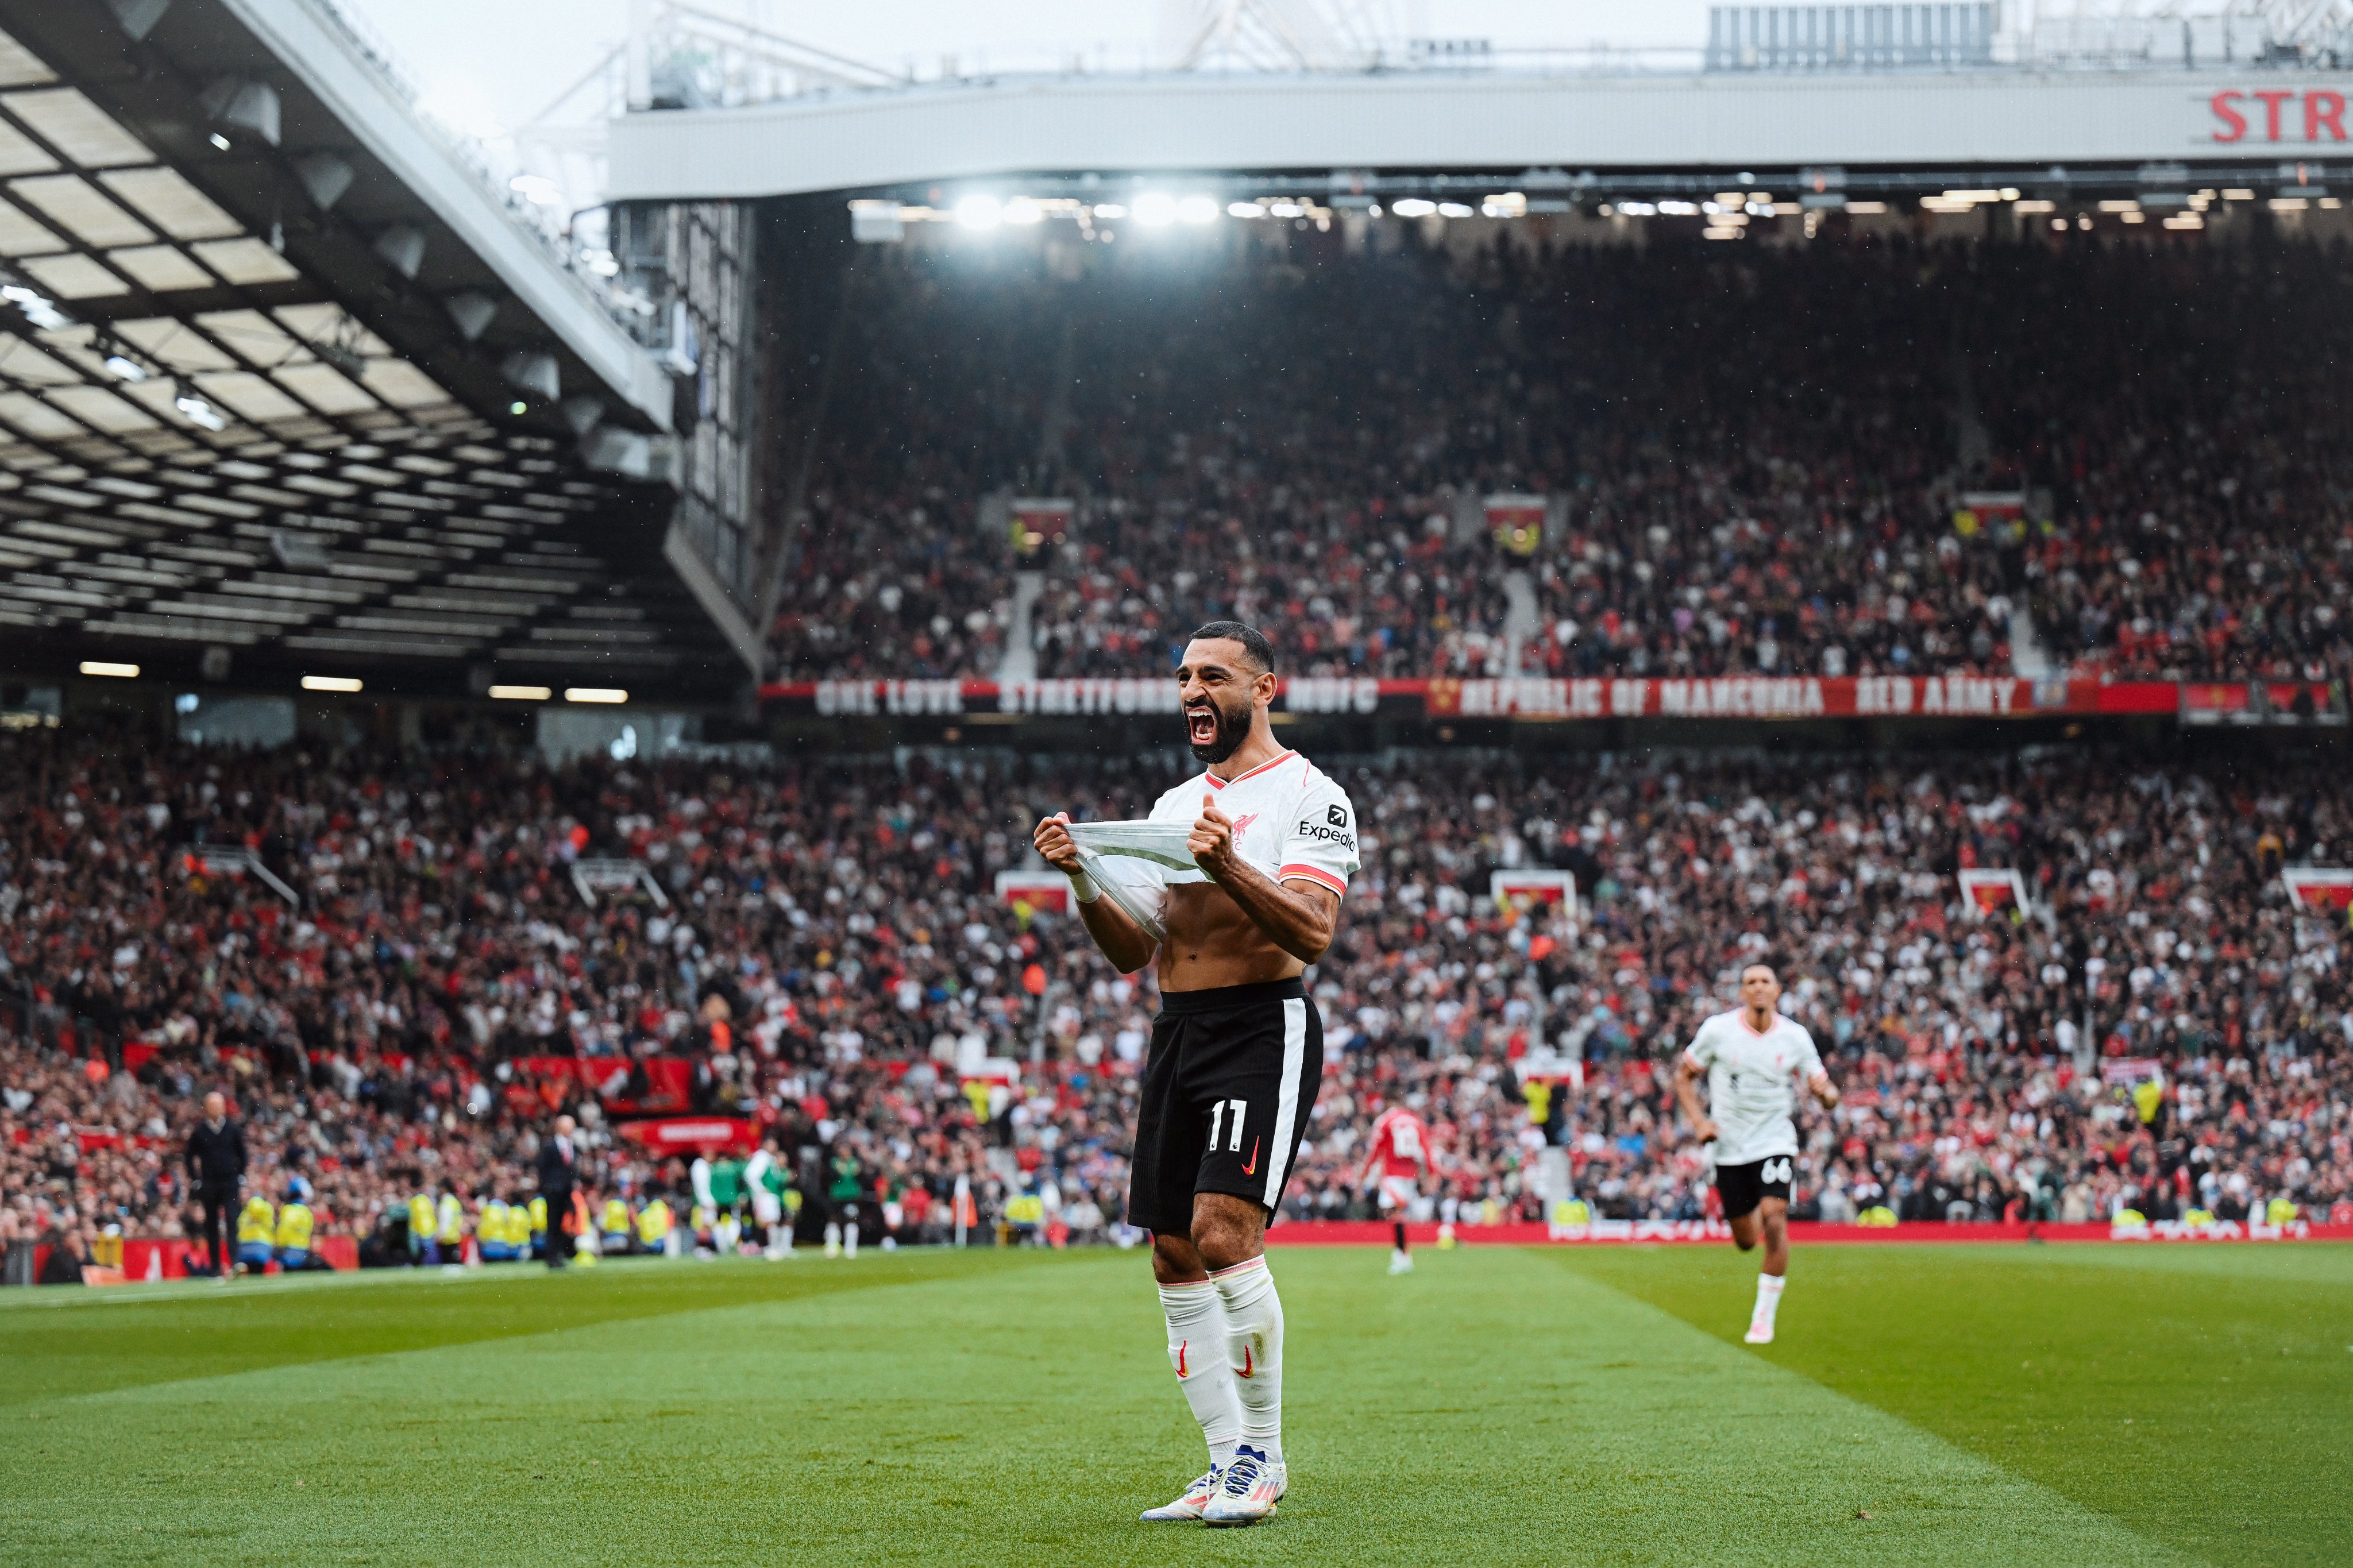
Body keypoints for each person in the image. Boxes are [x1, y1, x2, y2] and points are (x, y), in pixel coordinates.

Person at [1034, 621, 1358, 1528]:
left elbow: (1313, 933)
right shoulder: (1174, 801)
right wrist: (1086, 881)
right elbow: (1135, 952)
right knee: (1172, 1246)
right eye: (1182, 676)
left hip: (1263, 1023)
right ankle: (1222, 1463)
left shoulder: (1312, 794)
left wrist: (1227, 861)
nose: (1191, 690)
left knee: (1223, 1232)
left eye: (1212, 674)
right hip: (1178, 1028)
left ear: (1264, 688)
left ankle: (1265, 1455)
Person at [1673, 962, 1841, 1346]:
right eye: (1751, 982)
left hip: (1775, 1141)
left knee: (1775, 1218)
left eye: (1766, 981)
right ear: (1743, 992)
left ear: (1778, 990)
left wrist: (1829, 1096)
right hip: (1730, 1148)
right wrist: (1699, 1122)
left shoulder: (1795, 1037)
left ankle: (1763, 1318)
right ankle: (1757, 1231)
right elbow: (1683, 1076)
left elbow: (1823, 1085)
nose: (1759, 987)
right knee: (1747, 1239)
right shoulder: (1719, 1031)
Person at [1359, 1099, 1431, 1275]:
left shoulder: (1386, 1121)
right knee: (1395, 1212)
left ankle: (1402, 1256)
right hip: (1411, 1174)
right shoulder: (1415, 1120)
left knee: (1391, 1212)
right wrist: (1431, 1172)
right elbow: (1426, 1150)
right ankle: (1402, 1254)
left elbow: (1375, 1149)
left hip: (1393, 1174)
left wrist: (1365, 1171)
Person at [183, 1091, 246, 1280]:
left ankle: (235, 1262)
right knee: (211, 1226)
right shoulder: (200, 1131)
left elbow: (242, 1153)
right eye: (212, 1105)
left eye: (219, 1105)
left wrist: (240, 1175)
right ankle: (215, 1267)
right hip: (209, 1184)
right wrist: (196, 1179)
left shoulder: (232, 1129)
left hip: (229, 1182)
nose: (216, 1109)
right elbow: (189, 1156)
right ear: (206, 1108)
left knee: (232, 1221)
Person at [537, 1114, 580, 1270]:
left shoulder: (571, 1146)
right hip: (554, 1190)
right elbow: (542, 1167)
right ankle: (551, 1257)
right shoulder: (550, 1145)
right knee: (553, 1223)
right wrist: (547, 1185)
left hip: (566, 1191)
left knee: (563, 1223)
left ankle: (559, 1255)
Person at [234, 1189, 276, 1275]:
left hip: (245, 1246)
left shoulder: (245, 1212)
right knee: (259, 1270)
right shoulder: (267, 1209)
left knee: (251, 1270)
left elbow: (239, 1228)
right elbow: (271, 1226)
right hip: (263, 1245)